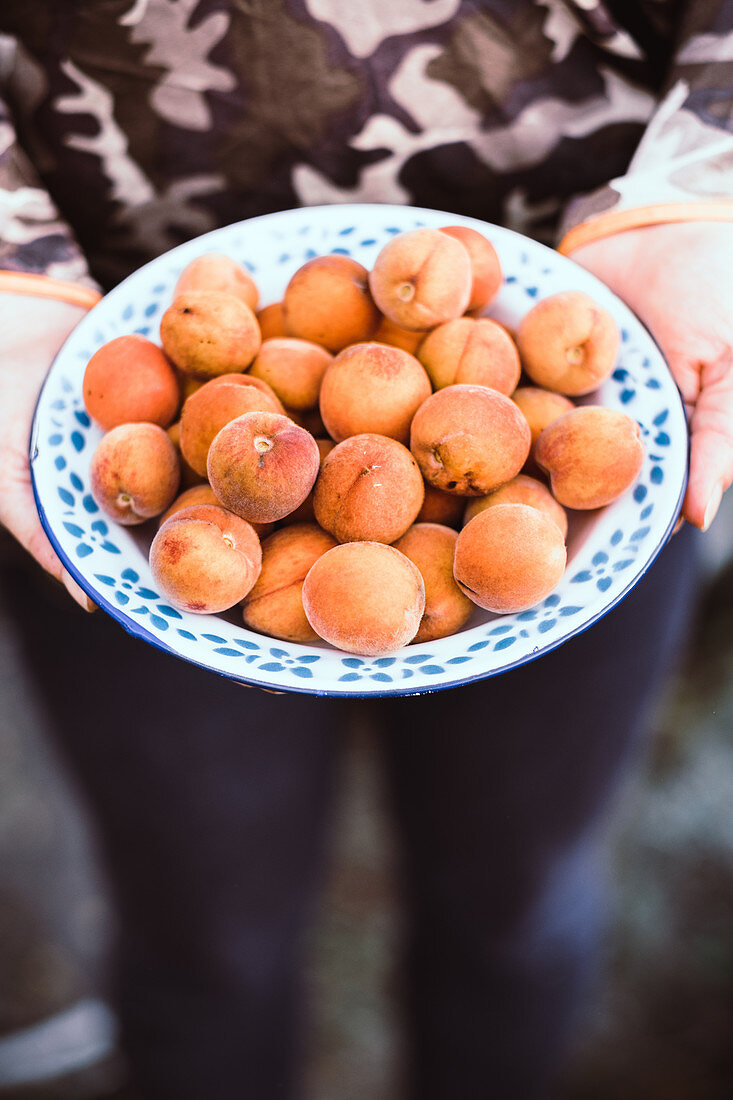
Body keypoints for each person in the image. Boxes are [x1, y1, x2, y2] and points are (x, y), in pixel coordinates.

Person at [0, 2, 731, 1097]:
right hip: (80, 319)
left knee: (517, 907)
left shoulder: (521, 422)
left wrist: (703, 179)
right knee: (202, 930)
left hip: (611, 279)